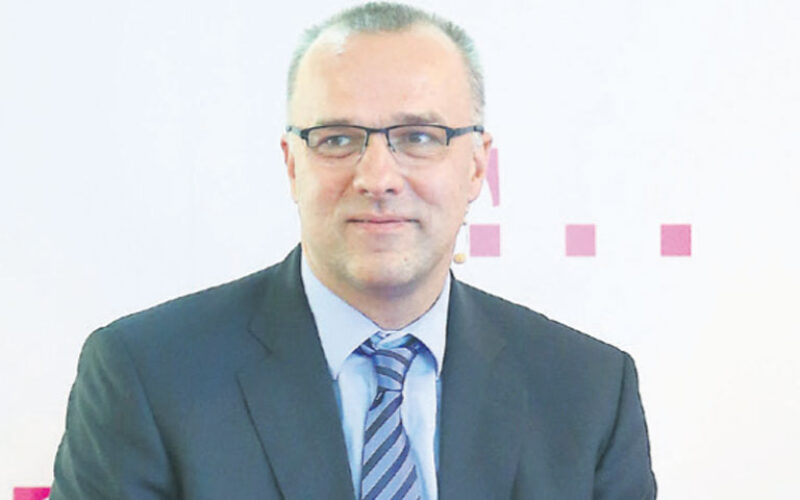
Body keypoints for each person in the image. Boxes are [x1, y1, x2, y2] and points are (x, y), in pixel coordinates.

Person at [50, 2, 656, 499]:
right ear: (293, 165)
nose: (378, 177)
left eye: (419, 137)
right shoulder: (148, 375)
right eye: (337, 139)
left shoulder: (588, 393)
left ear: (476, 167)